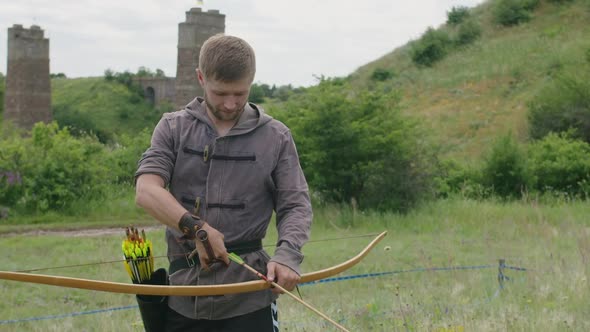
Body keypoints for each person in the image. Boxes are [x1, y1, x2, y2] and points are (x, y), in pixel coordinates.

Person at [135, 34, 312, 332]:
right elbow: (146, 190)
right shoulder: (173, 127)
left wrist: (288, 256)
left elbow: (295, 204)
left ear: (251, 82)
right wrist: (197, 229)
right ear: (201, 78)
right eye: (220, 94)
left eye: (239, 93)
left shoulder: (276, 136)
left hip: (250, 295)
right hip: (184, 294)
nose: (231, 104)